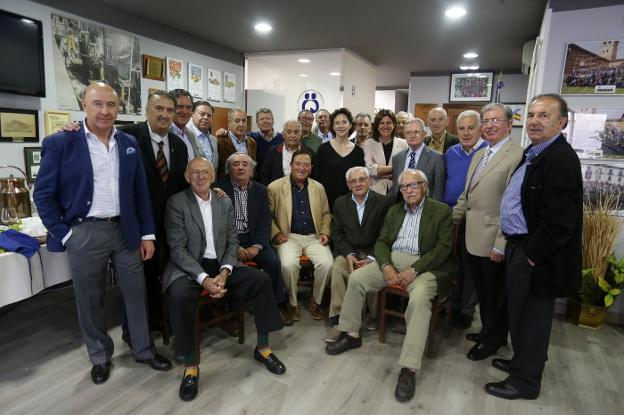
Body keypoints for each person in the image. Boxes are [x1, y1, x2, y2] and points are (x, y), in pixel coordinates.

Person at [34, 82, 172, 385]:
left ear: (118, 108)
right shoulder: (62, 143)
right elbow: (42, 195)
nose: (105, 111)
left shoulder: (128, 143)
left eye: (111, 105)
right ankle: (99, 356)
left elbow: (140, 194)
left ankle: (143, 348)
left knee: (136, 293)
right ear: (84, 104)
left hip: (126, 231)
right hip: (84, 231)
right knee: (89, 298)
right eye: (98, 104)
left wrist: (147, 234)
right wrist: (66, 234)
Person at [325, 169, 455, 403]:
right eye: (404, 187)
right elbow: (383, 242)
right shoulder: (395, 211)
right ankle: (351, 333)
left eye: (414, 185)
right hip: (393, 260)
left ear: (424, 187)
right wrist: (385, 265)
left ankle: (408, 368)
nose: (409, 190)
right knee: (357, 279)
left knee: (419, 300)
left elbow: (443, 249)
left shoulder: (441, 211)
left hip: (425, 266)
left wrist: (414, 270)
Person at [485, 94, 582, 400]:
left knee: (533, 320)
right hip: (520, 247)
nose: (535, 121)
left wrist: (530, 256)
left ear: (561, 122)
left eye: (544, 116)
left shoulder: (561, 159)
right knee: (521, 315)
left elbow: (560, 221)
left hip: (536, 256)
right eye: (532, 115)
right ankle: (521, 362)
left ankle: (524, 382)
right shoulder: (536, 151)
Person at [164, 158, 286, 402]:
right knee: (179, 295)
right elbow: (177, 249)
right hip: (189, 267)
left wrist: (224, 272)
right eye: (195, 173)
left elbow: (232, 241)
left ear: (212, 175)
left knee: (261, 281)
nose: (200, 177)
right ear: (187, 177)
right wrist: (203, 279)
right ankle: (190, 365)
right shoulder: (176, 203)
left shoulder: (223, 200)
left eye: (205, 172)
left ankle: (262, 348)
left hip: (221, 264)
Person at [453, 104, 523, 362]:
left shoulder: (516, 156)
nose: (490, 124)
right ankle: (489, 331)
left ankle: (491, 341)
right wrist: (451, 219)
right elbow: (468, 193)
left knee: (494, 295)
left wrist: (501, 243)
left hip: (494, 238)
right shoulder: (480, 154)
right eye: (486, 120)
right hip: (472, 236)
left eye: (496, 120)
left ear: (508, 125)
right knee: (483, 292)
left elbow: (512, 203)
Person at [117, 91, 190, 329]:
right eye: (159, 109)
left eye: (170, 110)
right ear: (147, 110)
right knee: (140, 278)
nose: (165, 115)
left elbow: (180, 185)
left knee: (165, 272)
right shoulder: (127, 137)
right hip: (137, 223)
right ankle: (139, 329)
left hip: (169, 224)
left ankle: (161, 318)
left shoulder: (179, 145)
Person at [216, 152, 291, 325]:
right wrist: (233, 247)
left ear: (251, 170)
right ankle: (231, 311)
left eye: (245, 164)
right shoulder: (219, 190)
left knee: (273, 262)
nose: (241, 167)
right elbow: (217, 225)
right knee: (228, 266)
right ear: (229, 170)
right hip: (229, 242)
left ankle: (277, 305)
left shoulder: (261, 190)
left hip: (254, 240)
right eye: (235, 164)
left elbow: (265, 221)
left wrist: (257, 246)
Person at [268, 149, 333, 321]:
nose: (302, 168)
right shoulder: (275, 187)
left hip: (314, 236)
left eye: (306, 165)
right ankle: (293, 303)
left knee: (327, 264)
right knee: (288, 265)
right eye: (298, 164)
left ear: (311, 168)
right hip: (288, 236)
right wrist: (275, 233)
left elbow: (326, 213)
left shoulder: (318, 187)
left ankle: (315, 301)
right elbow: (266, 216)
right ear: (291, 165)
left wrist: (325, 231)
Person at [326, 166, 386, 338]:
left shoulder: (382, 202)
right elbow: (336, 233)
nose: (358, 184)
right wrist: (349, 254)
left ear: (369, 181)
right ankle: (339, 317)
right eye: (353, 181)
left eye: (362, 179)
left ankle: (372, 316)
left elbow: (385, 236)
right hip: (348, 251)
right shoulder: (339, 203)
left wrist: (371, 257)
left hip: (372, 252)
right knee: (337, 268)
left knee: (376, 270)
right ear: (348, 184)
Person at [443, 110, 487, 329]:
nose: (466, 132)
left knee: (470, 268)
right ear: (456, 130)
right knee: (452, 265)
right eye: (462, 128)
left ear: (480, 129)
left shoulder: (487, 153)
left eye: (471, 127)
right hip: (451, 219)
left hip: (475, 219)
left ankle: (466, 311)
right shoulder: (450, 153)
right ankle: (449, 306)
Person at [314, 108, 365, 209]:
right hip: (326, 205)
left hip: (351, 206)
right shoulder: (323, 149)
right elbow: (316, 178)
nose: (341, 126)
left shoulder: (359, 152)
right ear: (332, 126)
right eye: (337, 123)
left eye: (344, 122)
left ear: (350, 125)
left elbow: (361, 182)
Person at [389, 118, 445, 202]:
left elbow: (438, 191)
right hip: (400, 208)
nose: (412, 135)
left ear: (424, 134)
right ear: (404, 135)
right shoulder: (397, 158)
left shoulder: (437, 158)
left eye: (416, 132)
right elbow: (395, 189)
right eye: (408, 132)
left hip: (425, 209)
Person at [363, 109, 408, 195]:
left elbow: (405, 168)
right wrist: (395, 168)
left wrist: (379, 170)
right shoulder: (369, 144)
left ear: (394, 125)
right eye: (382, 123)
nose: (385, 126)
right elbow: (369, 169)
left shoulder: (403, 144)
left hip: (398, 191)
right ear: (377, 125)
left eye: (389, 123)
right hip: (375, 191)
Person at [260, 120, 306, 186]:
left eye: (296, 132)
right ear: (283, 134)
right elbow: (264, 175)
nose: (292, 135)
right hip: (277, 193)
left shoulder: (309, 153)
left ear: (301, 134)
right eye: (289, 132)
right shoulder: (272, 152)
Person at [216, 108, 257, 180]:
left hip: (246, 186)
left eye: (244, 121)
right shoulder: (220, 141)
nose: (241, 124)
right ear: (229, 123)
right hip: (226, 186)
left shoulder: (252, 143)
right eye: (237, 121)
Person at [169, 89, 202, 160]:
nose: (185, 111)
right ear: (171, 108)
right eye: (180, 106)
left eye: (188, 107)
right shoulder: (164, 132)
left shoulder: (191, 134)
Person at [187, 100, 219, 169]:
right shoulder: (186, 135)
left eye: (209, 115)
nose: (206, 118)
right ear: (192, 115)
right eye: (202, 114)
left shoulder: (214, 140)